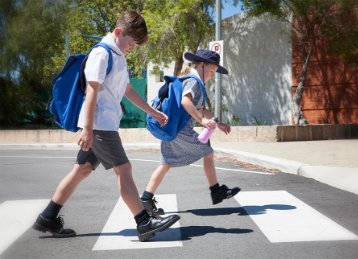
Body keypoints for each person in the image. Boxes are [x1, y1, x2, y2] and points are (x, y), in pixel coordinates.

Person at [32, 11, 179, 242]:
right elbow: (92, 91)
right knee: (124, 169)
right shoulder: (102, 54)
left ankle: (48, 217)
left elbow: (127, 90)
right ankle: (144, 222)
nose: (133, 48)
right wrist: (88, 129)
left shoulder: (117, 54)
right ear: (119, 32)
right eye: (131, 42)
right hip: (100, 125)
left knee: (82, 170)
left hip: (103, 124)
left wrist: (153, 112)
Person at [141, 49, 241, 216]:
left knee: (165, 163)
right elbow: (186, 101)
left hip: (172, 128)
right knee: (207, 152)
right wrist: (202, 121)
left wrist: (218, 122)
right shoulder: (193, 81)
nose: (211, 75)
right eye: (211, 71)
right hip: (180, 130)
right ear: (201, 65)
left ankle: (146, 198)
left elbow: (201, 109)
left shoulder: (192, 81)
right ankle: (216, 191)